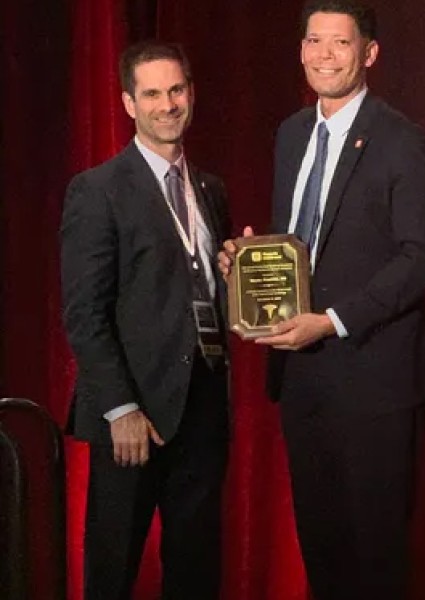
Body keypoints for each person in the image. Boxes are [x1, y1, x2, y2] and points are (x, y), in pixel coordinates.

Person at [220, 1, 425, 597]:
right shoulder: (292, 133)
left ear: (368, 53)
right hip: (302, 377)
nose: (324, 55)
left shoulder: (403, 141)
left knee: (373, 556)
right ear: (299, 51)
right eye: (314, 41)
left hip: (373, 379)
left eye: (339, 44)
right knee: (322, 548)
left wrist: (335, 321)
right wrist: (250, 264)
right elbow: (297, 239)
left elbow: (421, 257)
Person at [61, 41, 231, 600]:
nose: (167, 104)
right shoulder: (98, 190)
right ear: (129, 104)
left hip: (202, 407)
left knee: (196, 572)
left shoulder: (210, 190)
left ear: (191, 94)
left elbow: (199, 295)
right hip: (131, 417)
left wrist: (240, 277)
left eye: (176, 90)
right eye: (152, 93)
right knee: (112, 571)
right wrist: (121, 407)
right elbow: (83, 313)